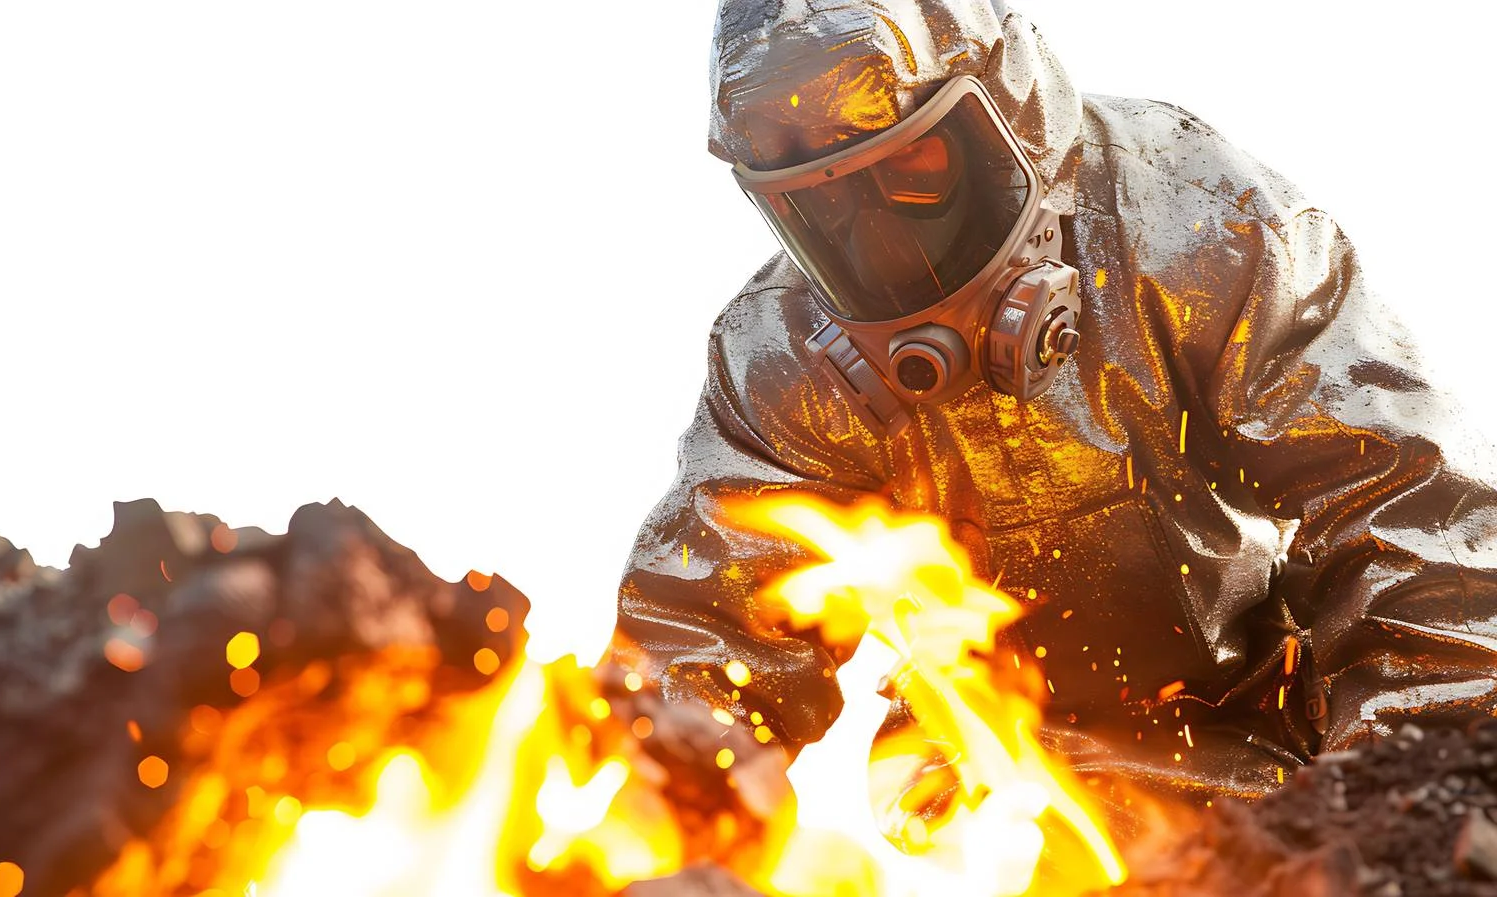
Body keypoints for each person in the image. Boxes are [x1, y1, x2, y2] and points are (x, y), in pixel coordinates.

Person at [607, 0, 1497, 798]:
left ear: (1008, 110)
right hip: (988, 794)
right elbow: (708, 640)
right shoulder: (786, 362)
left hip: (1270, 740)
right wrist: (657, 808)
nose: (877, 233)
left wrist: (1415, 788)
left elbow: (1401, 505)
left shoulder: (1197, 220)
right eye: (823, 202)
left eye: (912, 162)